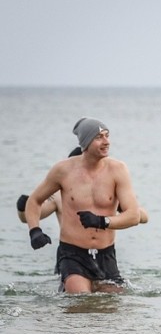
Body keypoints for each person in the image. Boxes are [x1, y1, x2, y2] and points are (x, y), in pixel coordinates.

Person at [25, 117, 144, 294]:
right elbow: (34, 200)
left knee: (110, 309)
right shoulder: (63, 170)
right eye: (99, 137)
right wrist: (34, 230)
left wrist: (102, 221)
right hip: (73, 254)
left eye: (107, 135)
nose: (106, 142)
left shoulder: (118, 169)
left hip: (106, 254)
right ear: (86, 143)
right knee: (80, 300)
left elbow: (134, 216)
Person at [16, 147, 149, 226]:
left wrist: (122, 209)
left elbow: (142, 217)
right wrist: (23, 207)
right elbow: (31, 216)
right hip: (71, 252)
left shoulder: (110, 192)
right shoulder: (58, 197)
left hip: (103, 251)